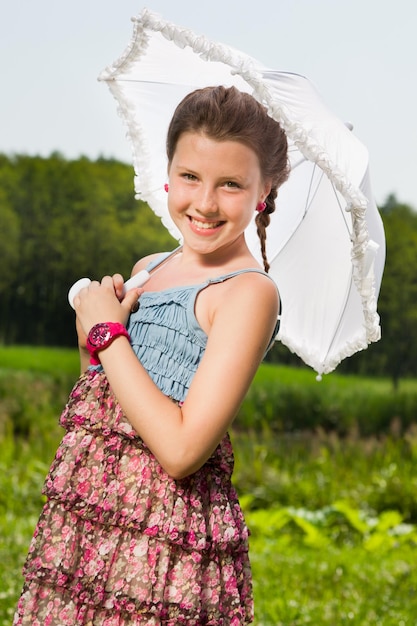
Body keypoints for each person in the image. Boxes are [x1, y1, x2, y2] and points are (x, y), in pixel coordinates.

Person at [14, 85, 289, 625]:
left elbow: (182, 449)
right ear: (168, 172)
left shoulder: (249, 293)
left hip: (164, 533)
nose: (205, 203)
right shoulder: (152, 267)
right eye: (190, 177)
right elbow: (105, 404)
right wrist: (90, 337)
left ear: (264, 189)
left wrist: (107, 335)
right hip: (94, 511)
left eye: (231, 184)